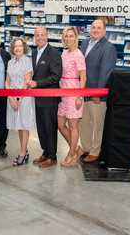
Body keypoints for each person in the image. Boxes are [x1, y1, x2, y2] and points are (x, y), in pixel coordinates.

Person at [78, 19, 117, 163]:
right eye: (93, 27)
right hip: (82, 91)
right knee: (84, 122)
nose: (95, 30)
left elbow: (105, 73)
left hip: (96, 94)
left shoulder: (108, 48)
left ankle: (96, 151)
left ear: (104, 30)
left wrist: (98, 94)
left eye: (99, 28)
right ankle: (87, 147)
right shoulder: (84, 43)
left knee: (98, 124)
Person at [27, 26, 62, 168]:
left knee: (50, 127)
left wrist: (36, 83)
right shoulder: (35, 52)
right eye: (37, 35)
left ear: (47, 35)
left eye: (42, 35)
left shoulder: (53, 53)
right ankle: (46, 152)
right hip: (38, 98)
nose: (39, 37)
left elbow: (55, 76)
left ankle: (52, 156)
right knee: (41, 127)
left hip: (49, 98)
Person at [57, 26, 87, 166]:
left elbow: (83, 77)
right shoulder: (64, 53)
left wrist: (79, 96)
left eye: (71, 36)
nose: (68, 39)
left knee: (73, 126)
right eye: (66, 36)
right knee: (60, 124)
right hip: (63, 91)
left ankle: (72, 154)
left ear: (76, 37)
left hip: (74, 92)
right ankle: (75, 148)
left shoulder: (78, 55)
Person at [6, 38, 36, 166]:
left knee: (23, 126)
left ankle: (22, 153)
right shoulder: (10, 62)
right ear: (12, 48)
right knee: (18, 125)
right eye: (15, 46)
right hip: (12, 98)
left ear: (24, 48)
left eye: (20, 46)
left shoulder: (27, 61)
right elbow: (7, 81)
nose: (17, 48)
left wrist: (18, 100)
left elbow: (27, 82)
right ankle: (25, 150)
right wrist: (10, 98)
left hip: (24, 98)